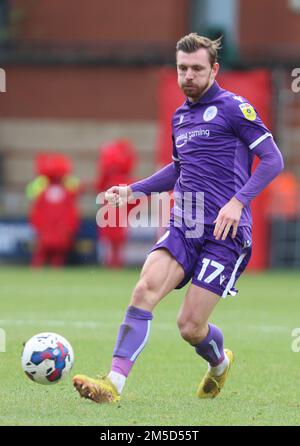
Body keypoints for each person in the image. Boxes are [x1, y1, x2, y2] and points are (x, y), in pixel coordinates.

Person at [73, 33, 284, 403]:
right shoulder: (180, 116)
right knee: (143, 290)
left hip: (225, 232)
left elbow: (273, 160)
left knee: (189, 327)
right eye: (182, 68)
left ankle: (219, 364)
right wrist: (132, 190)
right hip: (184, 225)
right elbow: (178, 169)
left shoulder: (235, 108)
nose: (188, 76)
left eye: (196, 69)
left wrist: (238, 201)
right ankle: (112, 384)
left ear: (214, 69)